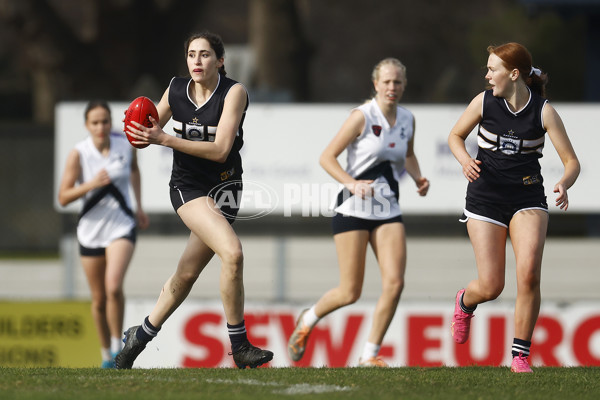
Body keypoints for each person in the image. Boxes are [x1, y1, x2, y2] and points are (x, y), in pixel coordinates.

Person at [115, 31, 273, 369]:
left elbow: (220, 151)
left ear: (220, 61)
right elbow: (146, 130)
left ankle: (138, 337)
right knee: (232, 253)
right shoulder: (175, 89)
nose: (197, 61)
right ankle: (240, 345)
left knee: (186, 275)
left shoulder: (234, 92)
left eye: (204, 55)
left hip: (226, 187)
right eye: (191, 55)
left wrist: (163, 139)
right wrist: (136, 131)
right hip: (188, 187)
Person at [287, 58, 430, 367]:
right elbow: (327, 157)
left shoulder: (407, 119)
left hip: (387, 208)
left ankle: (369, 356)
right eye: (387, 82)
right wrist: (351, 183)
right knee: (350, 291)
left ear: (404, 86)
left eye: (398, 82)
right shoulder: (361, 117)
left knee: (395, 284)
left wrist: (418, 177)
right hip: (352, 208)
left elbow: (408, 154)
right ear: (375, 84)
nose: (392, 87)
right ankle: (308, 319)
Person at [448, 42, 580, 373]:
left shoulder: (544, 110)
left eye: (493, 69)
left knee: (529, 273)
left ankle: (520, 356)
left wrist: (565, 182)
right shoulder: (483, 102)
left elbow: (572, 162)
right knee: (492, 286)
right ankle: (465, 302)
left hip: (527, 197)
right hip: (485, 199)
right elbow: (455, 136)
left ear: (514, 74)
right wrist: (465, 160)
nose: (488, 75)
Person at [58, 100, 149, 368]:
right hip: (90, 230)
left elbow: (134, 171)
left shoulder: (125, 146)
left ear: (111, 123)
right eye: (95, 122)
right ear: (87, 125)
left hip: (121, 226)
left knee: (113, 286)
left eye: (105, 121)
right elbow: (63, 197)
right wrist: (91, 184)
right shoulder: (79, 153)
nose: (101, 127)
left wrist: (139, 207)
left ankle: (118, 346)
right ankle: (106, 354)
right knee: (98, 299)